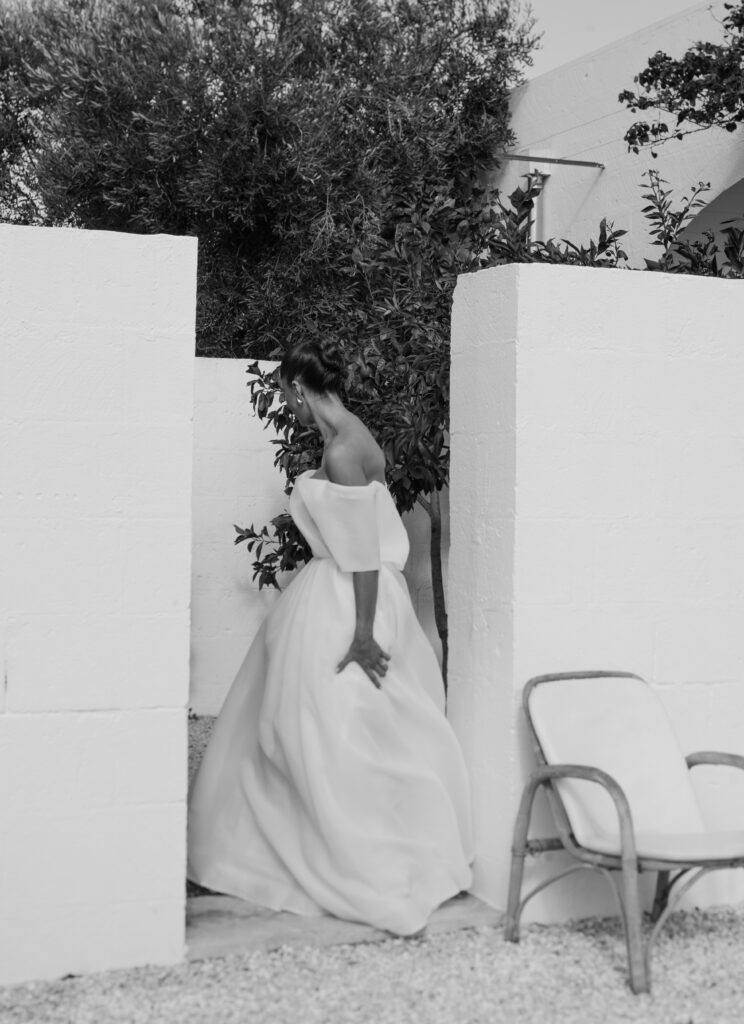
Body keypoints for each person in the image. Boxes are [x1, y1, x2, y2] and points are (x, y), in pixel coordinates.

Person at [187, 338, 473, 936]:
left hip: (349, 599)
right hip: (348, 590)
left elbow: (363, 555)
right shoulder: (351, 434)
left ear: (296, 388)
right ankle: (305, 844)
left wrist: (364, 634)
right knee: (311, 726)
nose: (284, 407)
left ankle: (352, 861)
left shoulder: (343, 451)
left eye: (283, 396)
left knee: (314, 727)